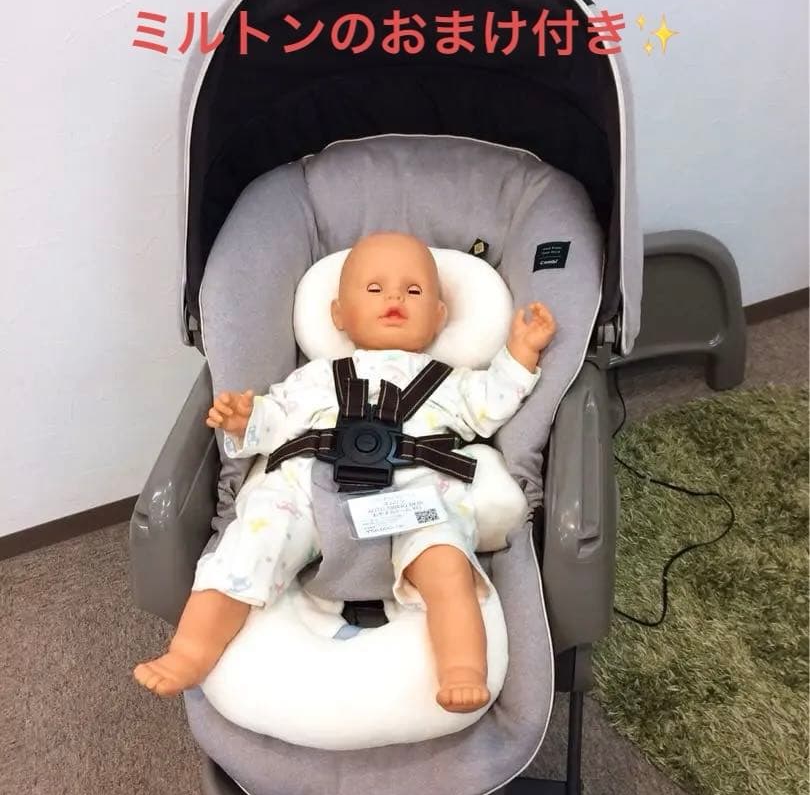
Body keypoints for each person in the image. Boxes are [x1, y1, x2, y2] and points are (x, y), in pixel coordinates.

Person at [133, 231, 556, 712]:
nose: (395, 298)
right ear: (338, 315)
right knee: (250, 539)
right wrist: (245, 419)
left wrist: (519, 354)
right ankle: (190, 651)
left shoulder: (450, 381)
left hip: (410, 491)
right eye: (374, 289)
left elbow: (490, 403)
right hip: (312, 488)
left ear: (440, 315)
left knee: (446, 560)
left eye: (414, 290)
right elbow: (277, 418)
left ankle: (462, 667)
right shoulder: (315, 376)